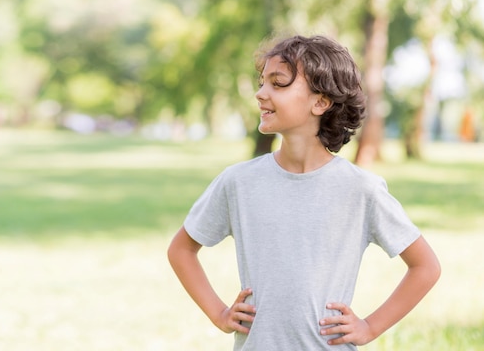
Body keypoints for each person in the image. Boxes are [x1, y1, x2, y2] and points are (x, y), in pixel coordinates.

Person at [167, 35, 441, 350]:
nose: (260, 93)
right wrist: (219, 314)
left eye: (277, 83)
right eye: (262, 83)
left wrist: (369, 327)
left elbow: (426, 267)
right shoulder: (238, 182)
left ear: (320, 102)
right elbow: (181, 250)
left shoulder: (361, 190)